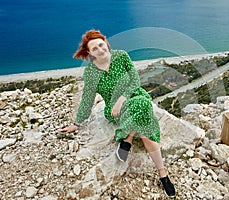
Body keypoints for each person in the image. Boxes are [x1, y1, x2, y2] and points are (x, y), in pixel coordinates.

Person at [58, 29, 176, 197]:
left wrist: (122, 98)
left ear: (106, 43)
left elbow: (135, 80)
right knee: (143, 112)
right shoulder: (91, 73)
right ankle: (163, 175)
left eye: (101, 44)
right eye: (95, 49)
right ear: (89, 53)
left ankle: (129, 141)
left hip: (135, 96)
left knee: (143, 115)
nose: (100, 49)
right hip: (113, 109)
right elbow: (87, 98)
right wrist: (76, 123)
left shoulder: (121, 56)